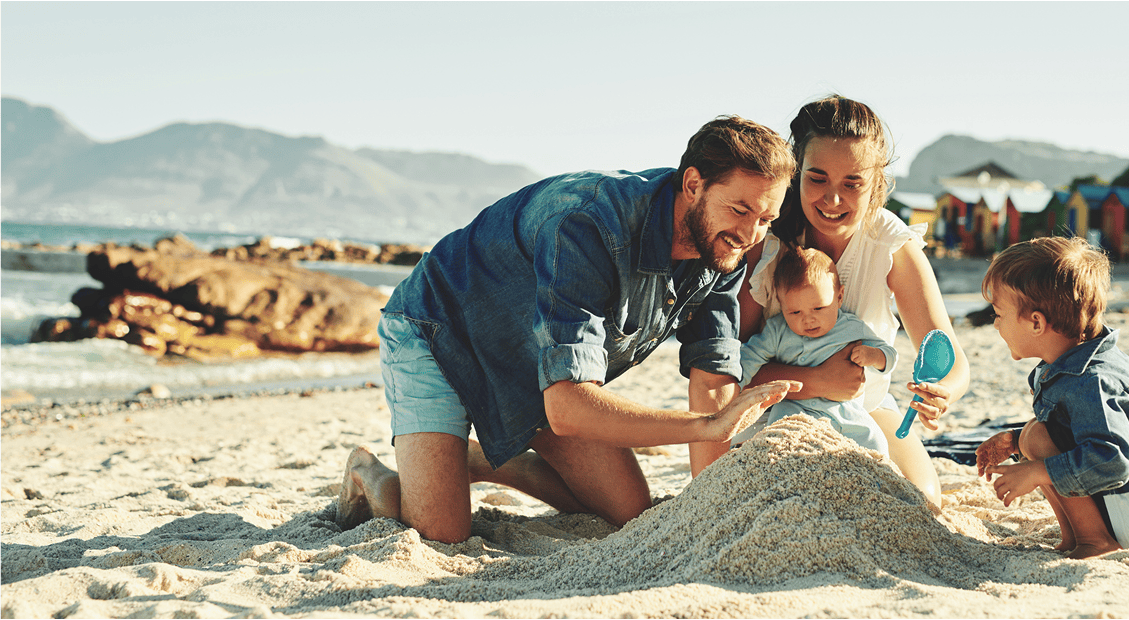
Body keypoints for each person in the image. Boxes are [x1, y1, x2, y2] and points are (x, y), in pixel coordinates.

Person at [337, 115, 802, 543]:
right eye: (741, 210)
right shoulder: (589, 223)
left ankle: (481, 458)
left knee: (630, 512)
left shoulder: (723, 248)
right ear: (694, 184)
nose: (751, 233)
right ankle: (373, 474)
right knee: (442, 534)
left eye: (766, 218)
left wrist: (710, 510)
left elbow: (713, 377)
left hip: (537, 363)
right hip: (440, 332)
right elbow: (569, 408)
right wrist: (702, 427)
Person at [695, 95, 971, 509]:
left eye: (852, 183)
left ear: (876, 182)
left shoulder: (890, 245)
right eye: (817, 179)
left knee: (922, 502)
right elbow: (732, 369)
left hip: (864, 408)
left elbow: (949, 357)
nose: (833, 199)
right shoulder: (768, 244)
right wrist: (819, 381)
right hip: (776, 410)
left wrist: (942, 391)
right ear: (797, 173)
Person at [974, 237, 1129, 559]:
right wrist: (1015, 441)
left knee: (1038, 438)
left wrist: (1037, 471)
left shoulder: (1093, 379)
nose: (995, 324)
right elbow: (1072, 433)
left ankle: (1095, 540)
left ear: (1036, 322)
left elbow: (1112, 458)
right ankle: (1076, 536)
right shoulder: (1071, 365)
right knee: (1033, 436)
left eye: (998, 314)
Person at [735, 245, 896, 453]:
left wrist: (874, 355)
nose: (808, 319)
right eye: (794, 312)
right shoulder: (778, 330)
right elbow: (750, 355)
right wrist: (733, 386)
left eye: (818, 308)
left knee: (875, 443)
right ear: (781, 304)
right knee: (779, 442)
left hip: (845, 412)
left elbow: (889, 355)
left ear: (839, 297)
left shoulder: (852, 327)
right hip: (793, 410)